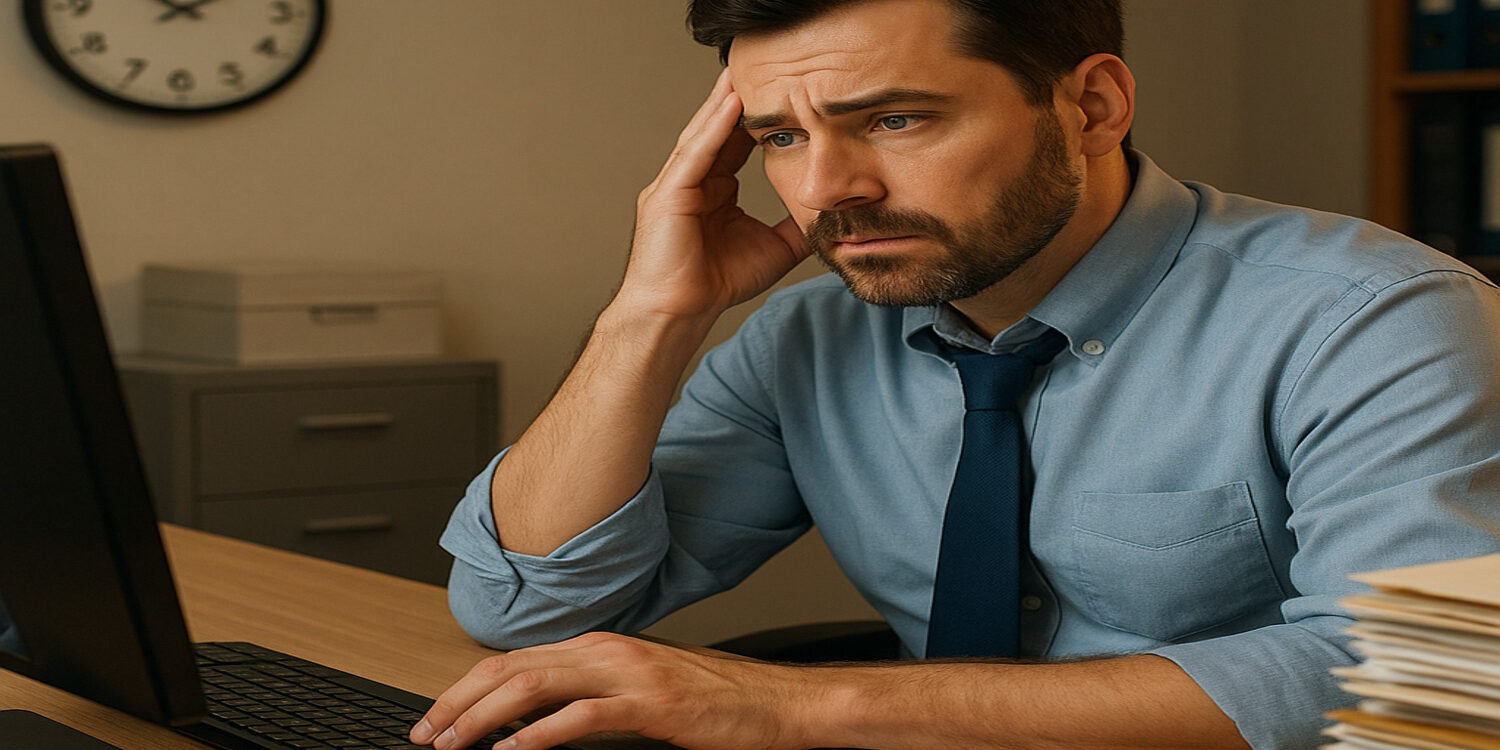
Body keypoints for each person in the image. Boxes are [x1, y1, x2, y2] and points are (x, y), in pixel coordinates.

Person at [413, 0, 1500, 748]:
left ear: (1093, 107)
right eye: (779, 137)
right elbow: (524, 607)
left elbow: (1424, 678)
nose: (829, 188)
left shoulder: (1373, 320)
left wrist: (791, 711)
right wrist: (652, 315)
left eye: (892, 117)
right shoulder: (806, 343)